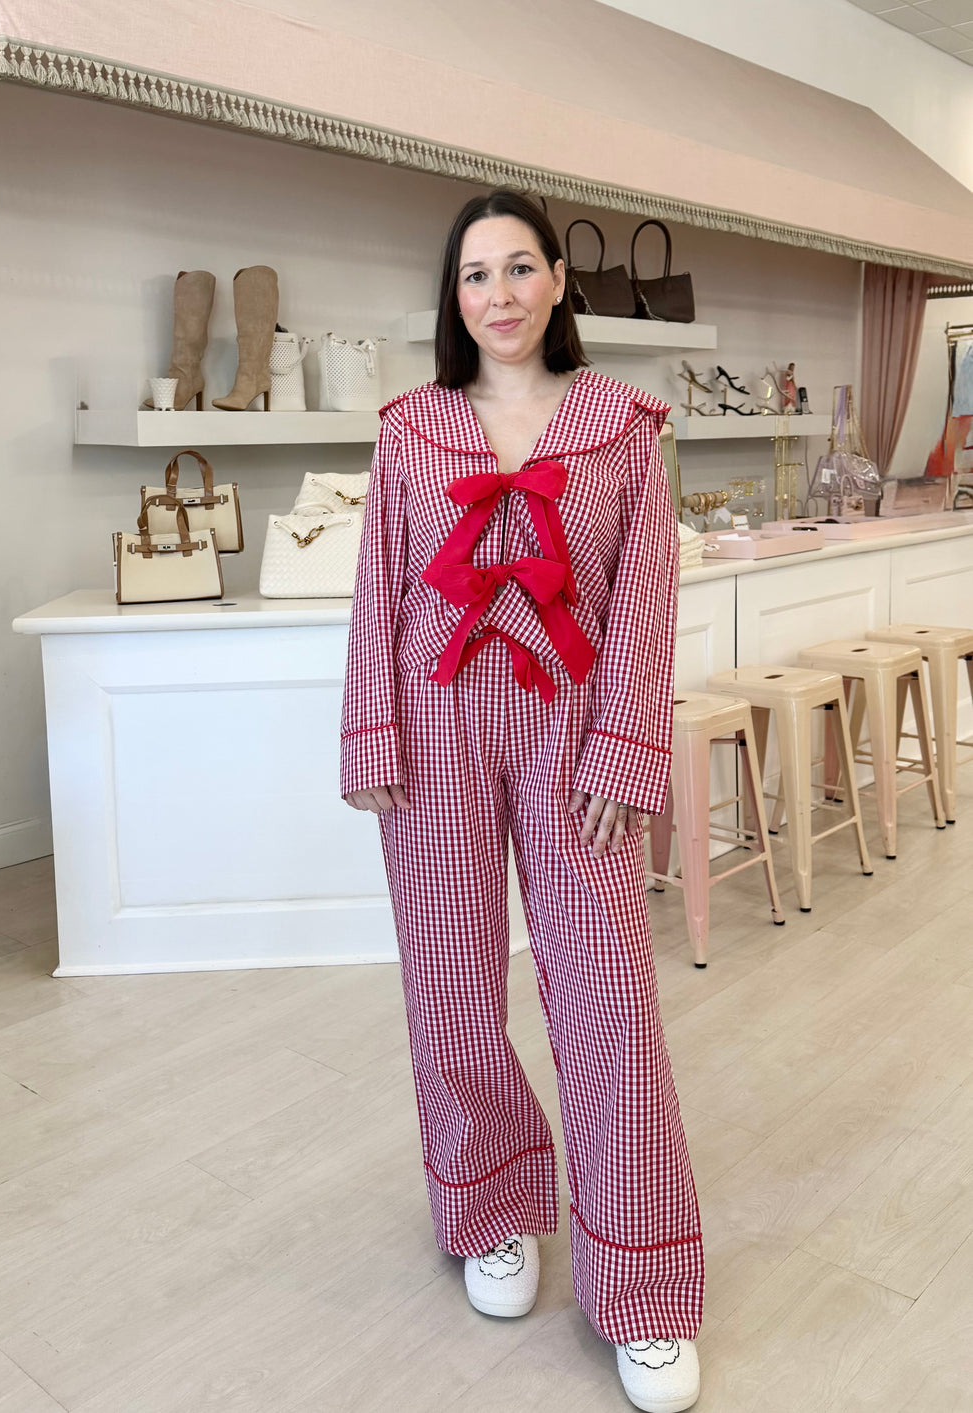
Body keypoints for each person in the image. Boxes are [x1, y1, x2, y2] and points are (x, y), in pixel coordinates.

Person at [340, 189, 704, 1413]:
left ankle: (642, 1285)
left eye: (517, 268)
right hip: (434, 731)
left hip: (574, 730)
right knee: (447, 984)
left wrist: (623, 754)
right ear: (455, 300)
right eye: (472, 276)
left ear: (558, 281)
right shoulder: (409, 431)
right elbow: (378, 598)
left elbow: (647, 603)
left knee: (606, 995)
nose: (496, 294)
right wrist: (372, 733)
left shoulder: (620, 429)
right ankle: (492, 1208)